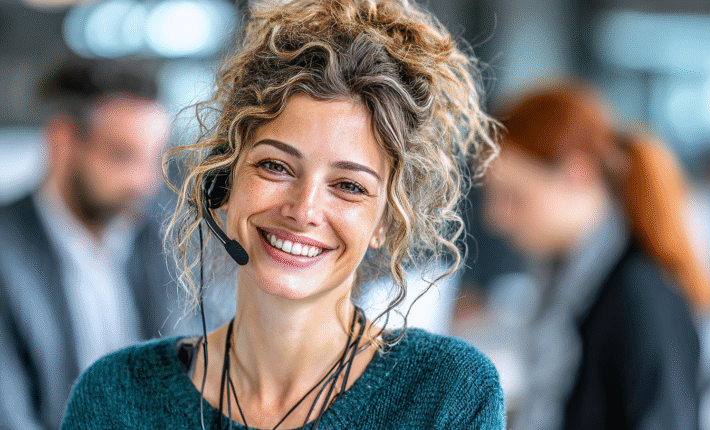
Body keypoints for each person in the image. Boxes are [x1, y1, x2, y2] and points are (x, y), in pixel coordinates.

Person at [62, 1, 505, 429]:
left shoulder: (449, 394)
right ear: (223, 182)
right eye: (276, 166)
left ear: (385, 221)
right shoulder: (116, 396)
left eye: (349, 186)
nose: (304, 209)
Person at [482, 83, 710, 429]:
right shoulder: (569, 282)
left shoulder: (640, 294)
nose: (494, 218)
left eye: (515, 197)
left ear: (579, 174)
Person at [0, 59, 174, 429]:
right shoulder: (6, 252)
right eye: (122, 156)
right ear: (62, 142)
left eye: (153, 159)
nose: (144, 183)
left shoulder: (159, 236)